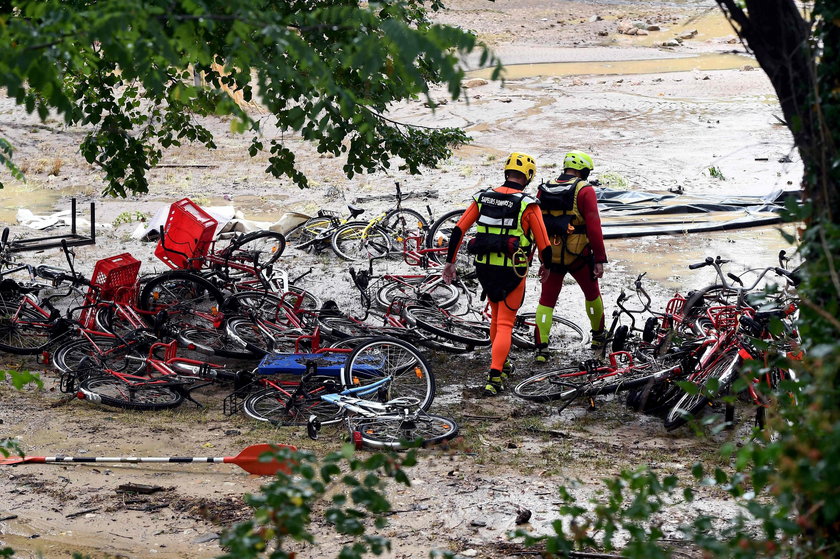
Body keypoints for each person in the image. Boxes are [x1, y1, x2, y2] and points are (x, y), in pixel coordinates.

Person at [442, 152, 551, 396]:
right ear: (529, 176)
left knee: (495, 318)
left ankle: (501, 363)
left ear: (506, 172)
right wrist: (546, 265)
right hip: (513, 269)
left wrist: (450, 262)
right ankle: (494, 376)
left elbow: (458, 230)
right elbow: (544, 244)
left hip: (485, 268)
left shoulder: (482, 197)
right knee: (505, 323)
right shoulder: (527, 204)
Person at [533, 150, 607, 361]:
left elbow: (536, 225)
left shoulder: (544, 189)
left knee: (547, 300)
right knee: (592, 294)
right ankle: (598, 337)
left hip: (551, 255)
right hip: (579, 255)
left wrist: (540, 258)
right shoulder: (584, 190)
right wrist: (600, 259)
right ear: (583, 170)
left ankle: (541, 348)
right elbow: (594, 226)